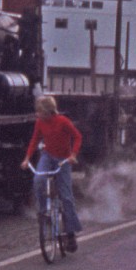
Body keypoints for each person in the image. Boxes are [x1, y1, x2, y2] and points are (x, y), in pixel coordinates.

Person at [20, 94, 83, 252]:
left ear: (48, 111)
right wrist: (27, 159)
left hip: (63, 159)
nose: (37, 114)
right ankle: (42, 212)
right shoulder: (40, 122)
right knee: (38, 180)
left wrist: (73, 155)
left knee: (66, 196)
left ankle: (70, 234)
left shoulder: (63, 122)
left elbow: (77, 136)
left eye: (39, 111)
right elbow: (35, 140)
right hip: (47, 156)